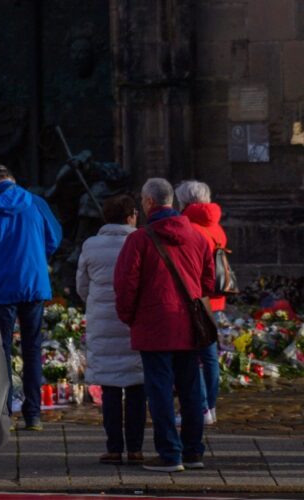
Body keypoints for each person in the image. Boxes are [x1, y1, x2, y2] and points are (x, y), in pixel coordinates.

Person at [114, 178, 214, 473]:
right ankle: (194, 451)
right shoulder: (197, 236)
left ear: (148, 203)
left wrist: (129, 316)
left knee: (159, 392)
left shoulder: (139, 240)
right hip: (189, 325)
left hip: (154, 324)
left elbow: (125, 285)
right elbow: (208, 282)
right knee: (191, 390)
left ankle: (170, 453)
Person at [0, 163, 62, 431]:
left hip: (1, 288)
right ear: (12, 180)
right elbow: (54, 238)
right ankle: (34, 415)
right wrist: (34, 257)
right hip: (34, 284)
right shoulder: (36, 203)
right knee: (32, 349)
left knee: (3, 351)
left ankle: (5, 414)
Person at [76, 194, 146, 465]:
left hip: (103, 321)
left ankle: (114, 447)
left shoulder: (91, 245)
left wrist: (96, 301)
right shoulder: (140, 241)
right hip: (134, 322)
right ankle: (136, 448)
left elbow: (82, 285)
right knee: (138, 387)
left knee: (111, 390)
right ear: (130, 216)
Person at [175, 180, 227, 425]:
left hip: (197, 299)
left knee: (195, 357)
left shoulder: (191, 227)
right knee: (209, 356)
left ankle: (201, 408)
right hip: (215, 299)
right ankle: (210, 408)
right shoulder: (214, 225)